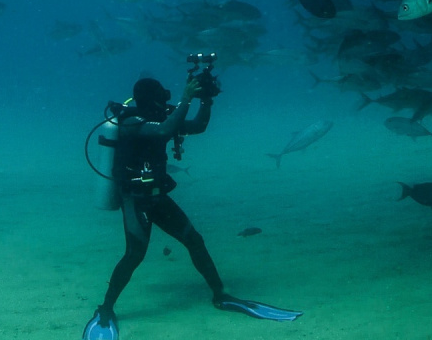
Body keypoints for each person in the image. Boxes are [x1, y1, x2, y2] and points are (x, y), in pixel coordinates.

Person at [83, 65, 300, 339]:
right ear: (151, 98)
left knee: (194, 240)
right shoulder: (131, 122)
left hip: (158, 197)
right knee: (134, 254)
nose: (166, 97)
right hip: (136, 200)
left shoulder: (159, 116)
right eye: (161, 94)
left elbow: (197, 126)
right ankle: (106, 308)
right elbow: (162, 131)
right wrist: (186, 99)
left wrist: (206, 100)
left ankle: (220, 294)